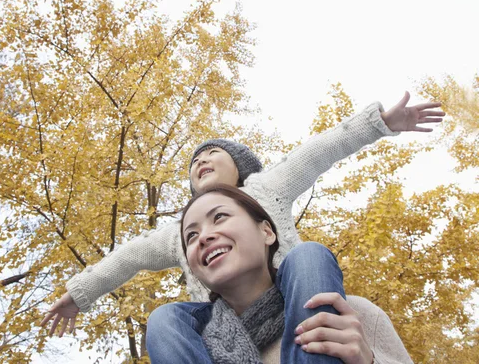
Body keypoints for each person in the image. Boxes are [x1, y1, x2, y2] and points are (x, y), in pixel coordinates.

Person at [40, 93, 443, 341]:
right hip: (226, 325)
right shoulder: (179, 231)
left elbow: (320, 150)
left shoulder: (267, 188)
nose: (201, 159)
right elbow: (127, 257)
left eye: (213, 154)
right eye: (195, 160)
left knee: (310, 256)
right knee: (165, 320)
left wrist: (380, 124)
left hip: (290, 306)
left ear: (240, 167)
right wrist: (80, 294)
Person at [146, 184, 412, 363]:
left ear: (267, 232)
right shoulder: (185, 347)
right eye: (191, 236)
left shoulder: (351, 316)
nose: (203, 236)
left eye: (220, 217)